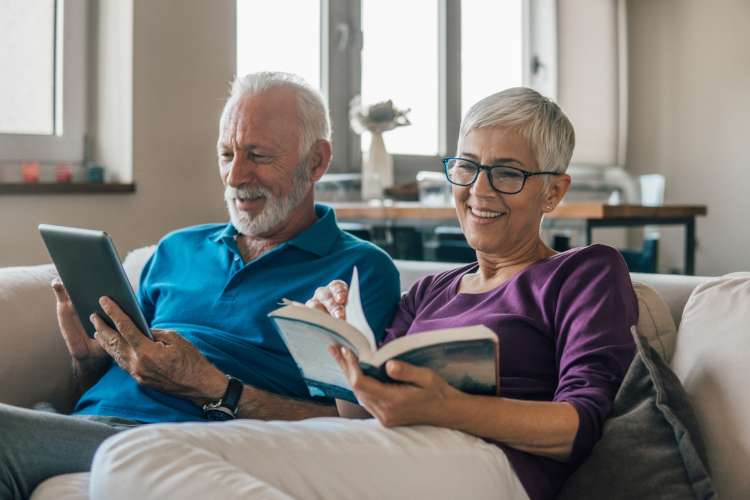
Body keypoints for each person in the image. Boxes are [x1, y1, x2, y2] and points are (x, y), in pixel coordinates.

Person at [88, 87, 638, 500]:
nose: (478, 191)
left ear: (554, 192)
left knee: (136, 456)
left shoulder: (584, 272)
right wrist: (342, 345)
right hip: (391, 449)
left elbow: (580, 424)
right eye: (467, 167)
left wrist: (450, 407)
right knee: (134, 455)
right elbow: (358, 417)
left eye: (508, 174)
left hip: (494, 465)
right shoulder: (431, 291)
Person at [0, 72, 400, 499]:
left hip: (177, 444)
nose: (234, 176)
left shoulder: (359, 271)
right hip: (84, 428)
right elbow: (116, 384)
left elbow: (348, 426)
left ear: (316, 161)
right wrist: (90, 361)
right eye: (226, 154)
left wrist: (212, 386)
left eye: (258, 155)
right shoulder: (178, 247)